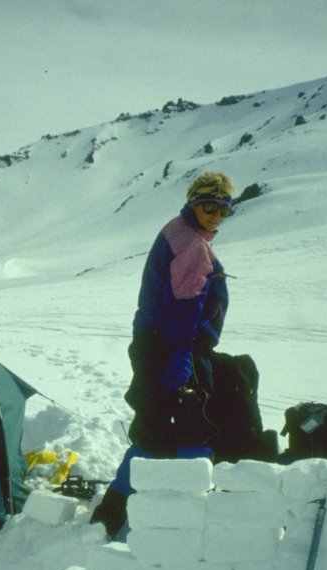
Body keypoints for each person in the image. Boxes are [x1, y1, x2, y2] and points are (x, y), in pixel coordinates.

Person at [91, 171, 238, 539]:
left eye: (224, 210)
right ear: (193, 203)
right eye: (209, 206)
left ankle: (109, 514)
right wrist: (183, 357)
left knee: (154, 430)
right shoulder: (191, 245)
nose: (216, 216)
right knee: (196, 429)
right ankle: (192, 523)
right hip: (175, 347)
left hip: (155, 344)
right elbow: (185, 309)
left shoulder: (176, 230)